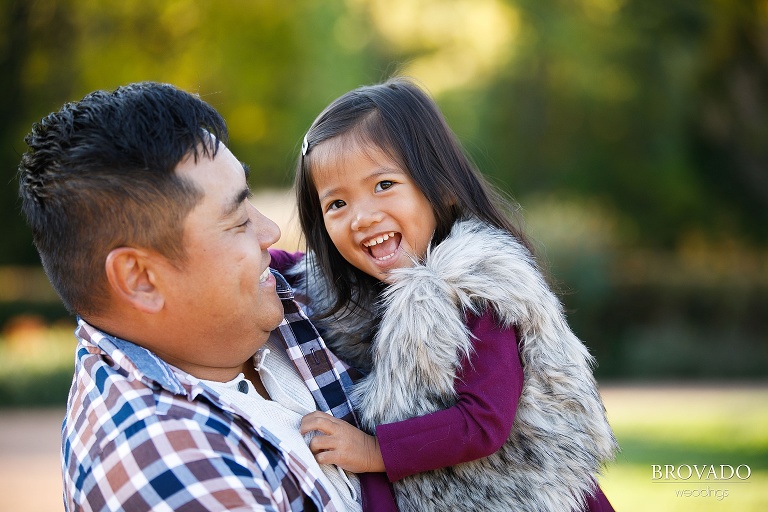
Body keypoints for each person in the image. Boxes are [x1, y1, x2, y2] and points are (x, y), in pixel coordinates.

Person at [271, 78, 618, 511]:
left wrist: (372, 452)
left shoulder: (475, 289)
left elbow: (483, 421)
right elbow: (292, 268)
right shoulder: (359, 289)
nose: (361, 217)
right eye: (336, 204)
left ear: (441, 187)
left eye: (383, 185)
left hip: (526, 497)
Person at [17, 82, 368, 511]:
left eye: (249, 201)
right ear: (141, 278)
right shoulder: (167, 470)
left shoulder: (272, 294)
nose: (270, 234)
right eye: (237, 220)